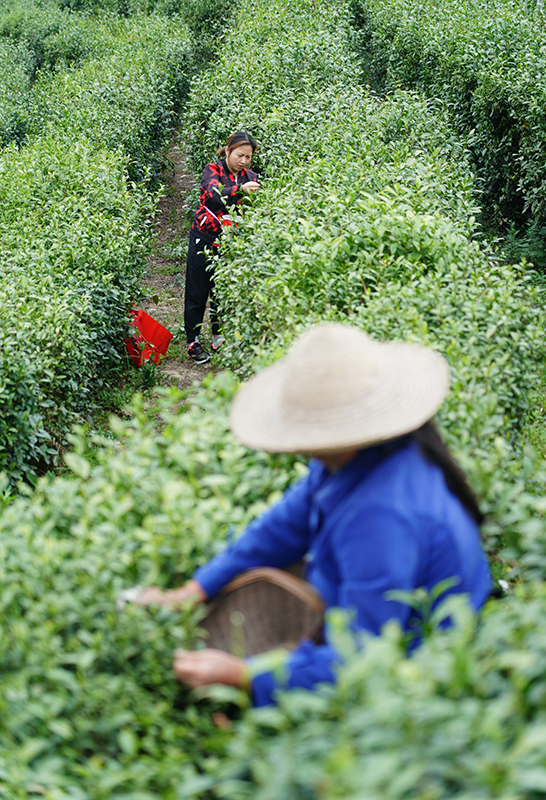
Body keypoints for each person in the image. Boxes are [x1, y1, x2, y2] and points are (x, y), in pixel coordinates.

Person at [139, 323, 492, 706]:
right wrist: (194, 591)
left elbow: (365, 657)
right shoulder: (362, 454)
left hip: (419, 684)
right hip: (363, 628)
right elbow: (281, 528)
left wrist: (245, 677)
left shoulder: (383, 514)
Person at [184, 131, 260, 364]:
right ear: (227, 150)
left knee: (221, 290)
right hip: (205, 236)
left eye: (248, 157)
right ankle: (193, 341)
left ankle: (219, 335)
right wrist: (240, 191)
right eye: (239, 155)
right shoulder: (212, 171)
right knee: (198, 290)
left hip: (231, 241)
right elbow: (212, 196)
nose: (244, 161)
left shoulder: (251, 176)